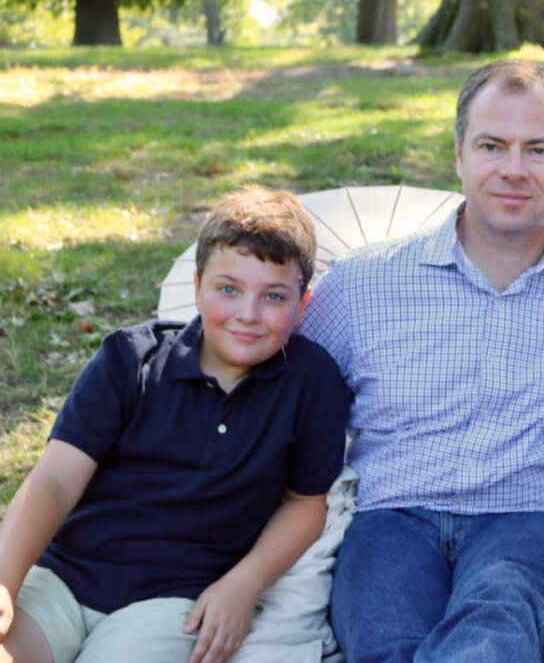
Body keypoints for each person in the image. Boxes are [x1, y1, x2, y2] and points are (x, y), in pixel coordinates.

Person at [298, 59, 544, 662]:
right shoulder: (364, 285)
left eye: (539, 150)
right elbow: (281, 401)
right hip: (391, 518)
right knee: (385, 646)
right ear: (458, 154)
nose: (514, 169)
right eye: (492, 145)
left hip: (527, 521)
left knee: (495, 631)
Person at [0, 186, 349, 663]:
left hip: (172, 604)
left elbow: (307, 502)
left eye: (274, 296)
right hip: (66, 576)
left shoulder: (313, 381)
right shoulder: (129, 359)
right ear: (198, 284)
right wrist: (3, 581)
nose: (248, 314)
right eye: (229, 289)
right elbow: (56, 480)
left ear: (302, 303)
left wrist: (244, 584)